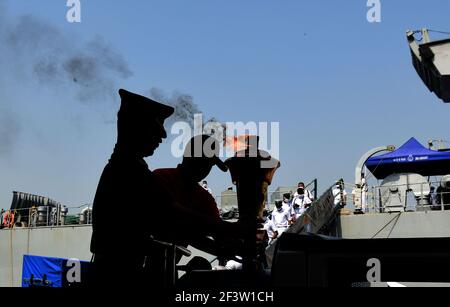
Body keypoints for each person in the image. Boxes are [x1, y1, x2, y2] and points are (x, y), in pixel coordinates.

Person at [89, 89, 243, 287]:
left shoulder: (130, 169)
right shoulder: (134, 172)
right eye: (156, 126)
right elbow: (172, 216)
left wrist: (225, 240)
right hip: (121, 278)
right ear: (135, 127)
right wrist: (236, 229)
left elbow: (185, 229)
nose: (162, 135)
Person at [154, 135, 233, 254]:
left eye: (209, 163)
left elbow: (217, 233)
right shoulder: (160, 178)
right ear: (187, 156)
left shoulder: (205, 198)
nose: (205, 167)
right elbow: (174, 215)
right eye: (202, 159)